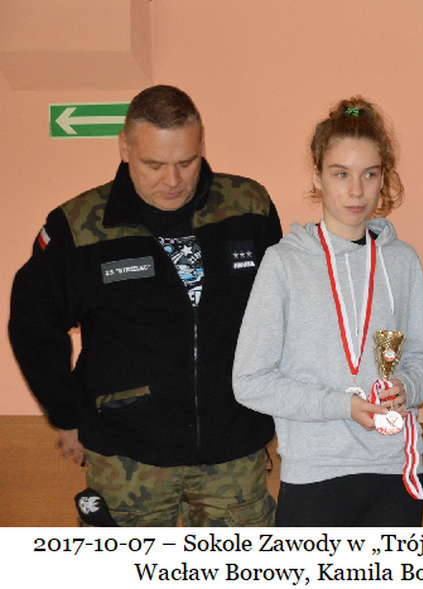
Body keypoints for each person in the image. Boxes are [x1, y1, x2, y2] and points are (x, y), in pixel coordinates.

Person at [8, 85, 282, 526]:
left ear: (202, 144)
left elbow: (279, 316)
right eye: (154, 164)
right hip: (127, 459)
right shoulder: (79, 227)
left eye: (186, 162)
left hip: (233, 451)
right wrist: (65, 415)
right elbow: (33, 326)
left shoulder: (249, 208)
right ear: (124, 148)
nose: (172, 180)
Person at [233, 97, 423, 526]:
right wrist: (343, 406)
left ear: (384, 177)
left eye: (370, 174)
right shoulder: (284, 263)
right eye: (341, 174)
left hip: (396, 471)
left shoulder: (401, 261)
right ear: (318, 176)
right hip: (315, 473)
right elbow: (249, 382)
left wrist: (406, 386)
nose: (356, 190)